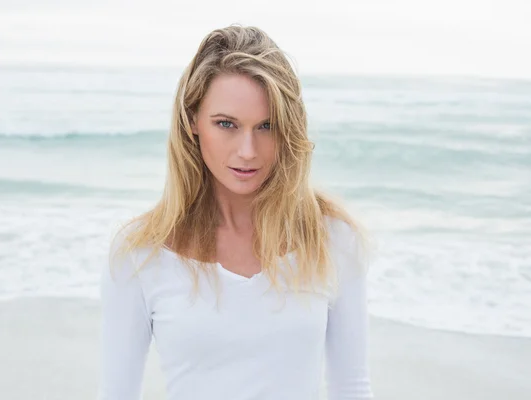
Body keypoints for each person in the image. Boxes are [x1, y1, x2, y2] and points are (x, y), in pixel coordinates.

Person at [98, 24, 375, 400]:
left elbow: (352, 389)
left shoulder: (334, 239)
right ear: (193, 120)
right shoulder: (139, 253)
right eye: (226, 124)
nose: (248, 150)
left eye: (266, 126)